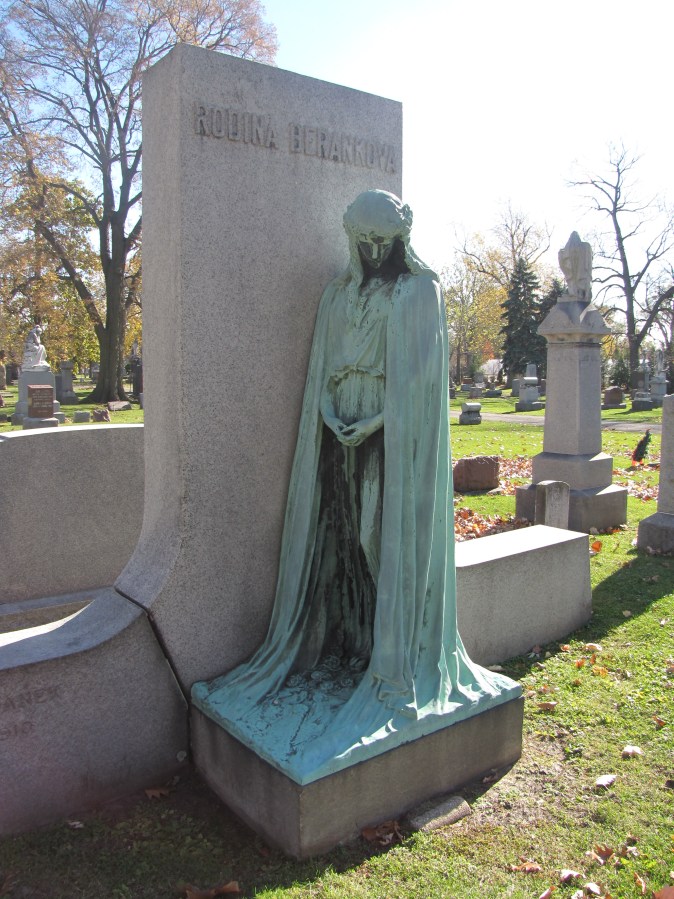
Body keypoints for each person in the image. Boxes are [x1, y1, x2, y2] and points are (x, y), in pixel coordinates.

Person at [194, 190, 520, 776]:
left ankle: (392, 658)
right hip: (338, 432)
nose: (373, 251)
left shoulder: (419, 292)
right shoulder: (337, 295)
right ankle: (355, 643)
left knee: (377, 536)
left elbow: (419, 384)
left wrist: (375, 421)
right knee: (343, 539)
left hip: (391, 440)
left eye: (382, 241)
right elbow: (322, 370)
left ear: (400, 239)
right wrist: (327, 412)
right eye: (363, 241)